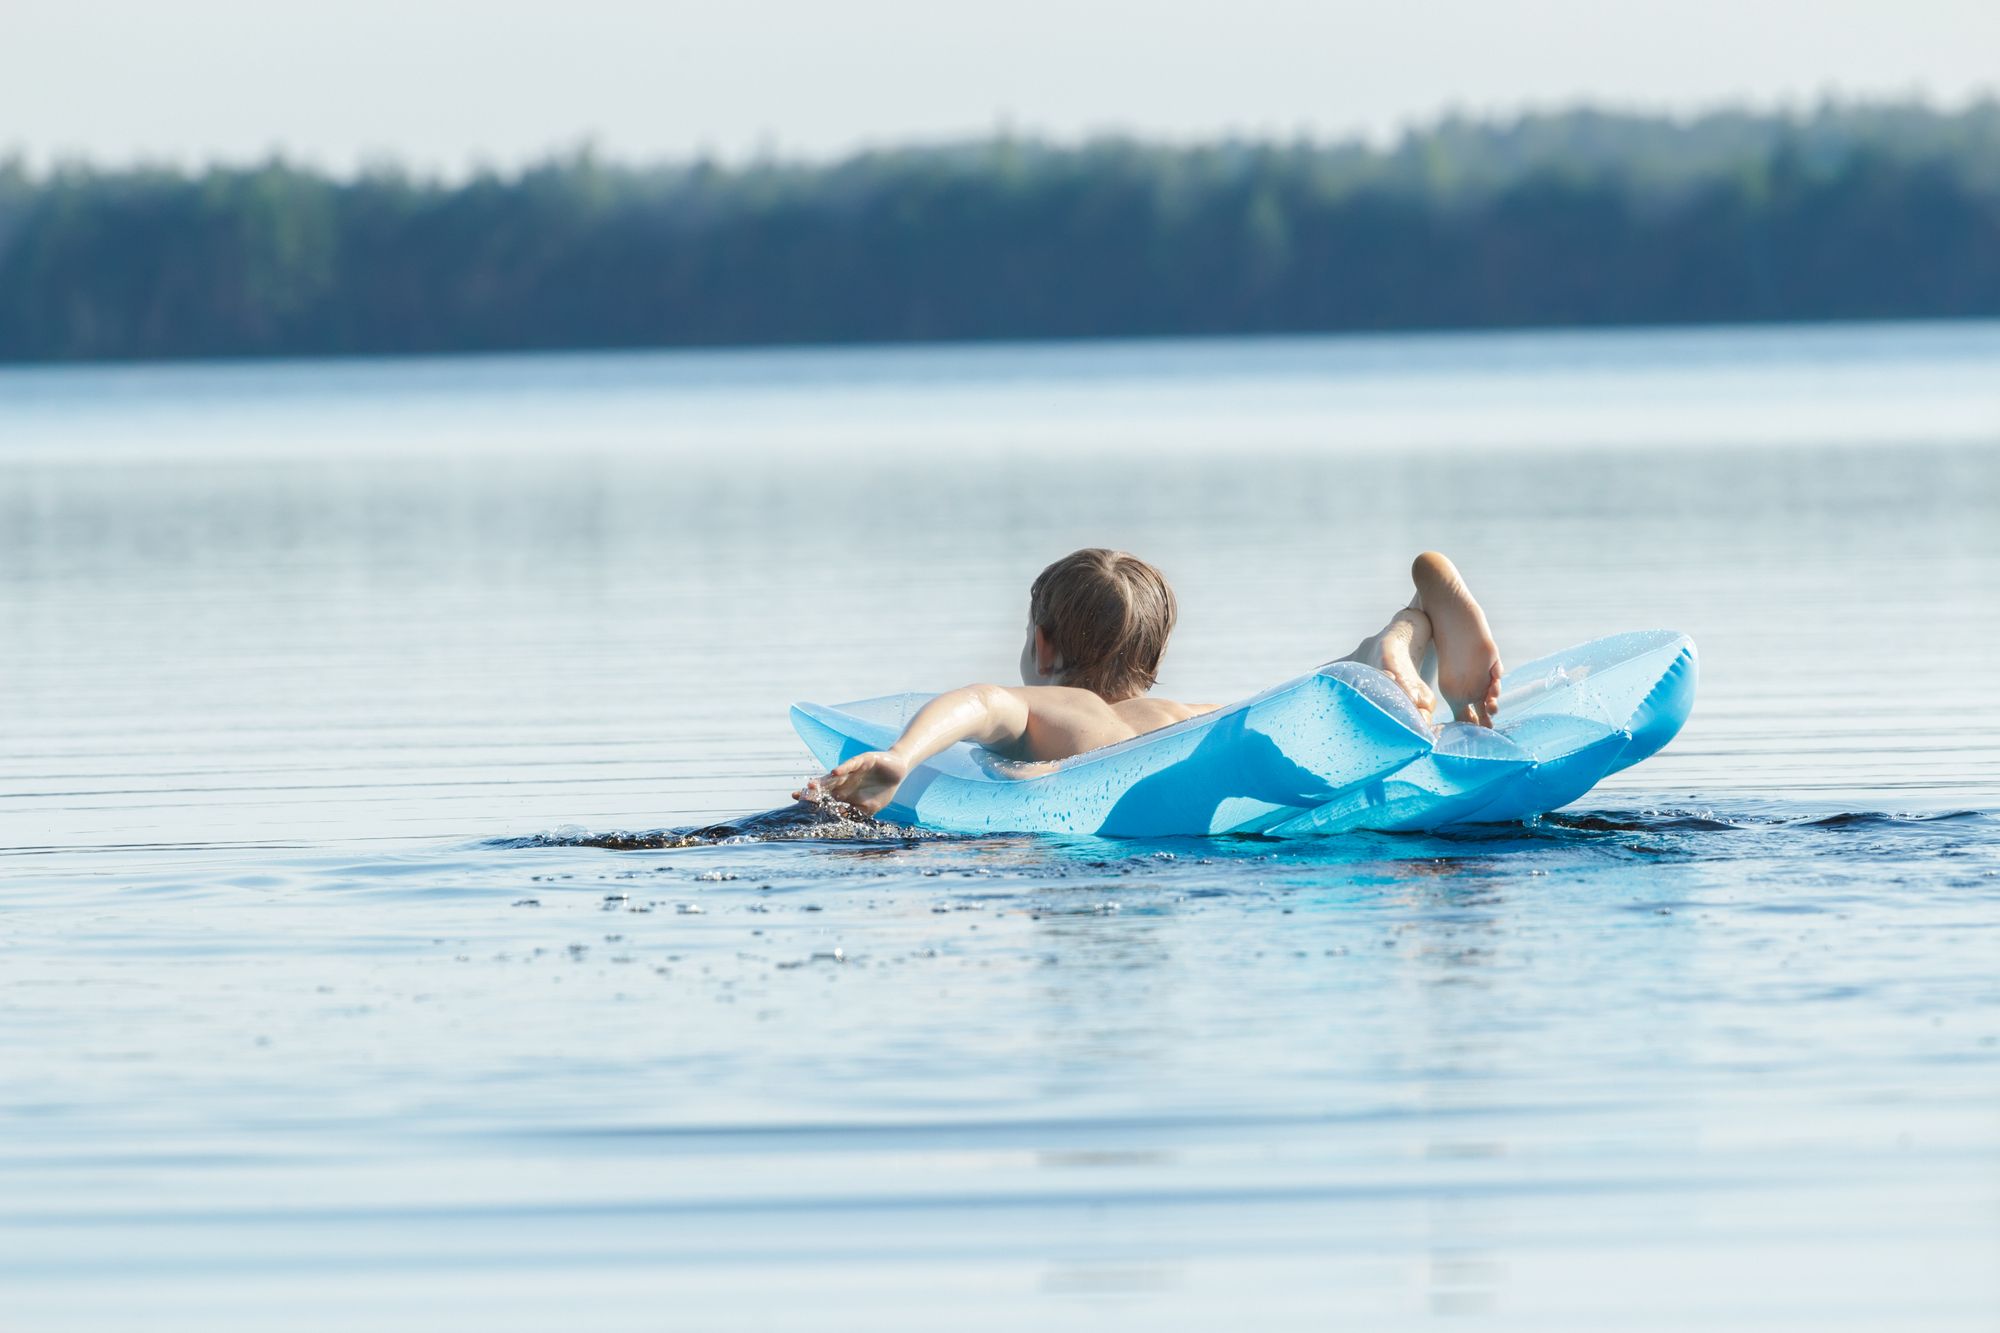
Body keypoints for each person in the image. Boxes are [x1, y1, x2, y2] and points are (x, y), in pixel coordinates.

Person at [796, 547, 1503, 817]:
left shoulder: (1065, 711)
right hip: (1233, 745)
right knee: (1345, 690)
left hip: (1155, 803)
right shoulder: (1180, 708)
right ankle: (1407, 635)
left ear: (1042, 646)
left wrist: (902, 756)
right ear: (1153, 659)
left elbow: (983, 703)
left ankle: (1400, 660)